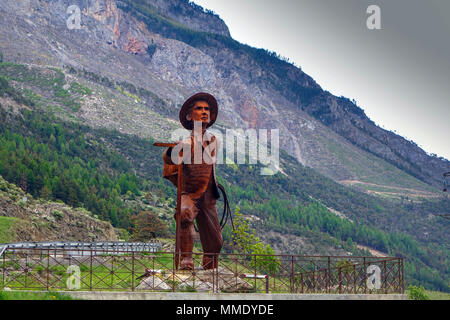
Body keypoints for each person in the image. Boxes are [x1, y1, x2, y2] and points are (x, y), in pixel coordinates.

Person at [162, 92, 223, 270]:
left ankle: (210, 265)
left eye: (207, 109)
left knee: (215, 240)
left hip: (209, 195)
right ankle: (186, 260)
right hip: (190, 191)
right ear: (190, 116)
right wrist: (173, 152)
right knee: (185, 214)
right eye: (199, 108)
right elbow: (169, 158)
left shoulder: (213, 141)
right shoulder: (185, 142)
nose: (204, 112)